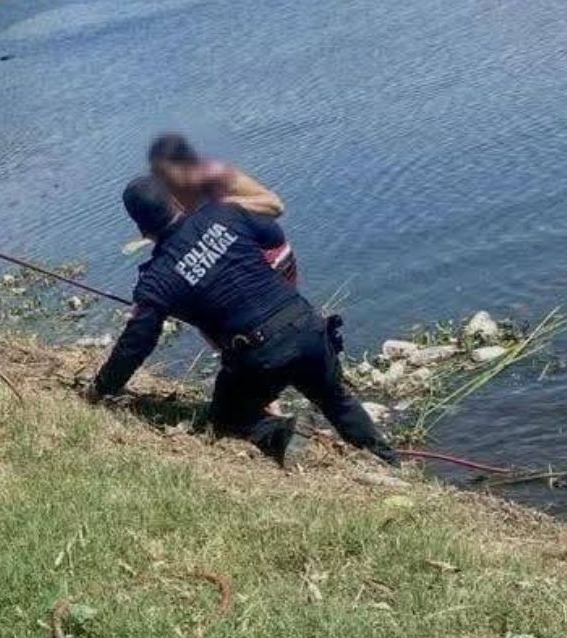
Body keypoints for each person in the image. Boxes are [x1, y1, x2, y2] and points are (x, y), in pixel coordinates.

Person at [89, 176, 398, 468]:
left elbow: (136, 344)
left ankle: (283, 432)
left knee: (226, 419)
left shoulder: (156, 281)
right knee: (336, 400)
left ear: (142, 231)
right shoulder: (223, 213)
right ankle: (388, 462)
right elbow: (274, 238)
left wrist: (102, 388)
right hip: (306, 325)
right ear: (176, 203)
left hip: (260, 354)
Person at [146, 133, 299, 285]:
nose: (160, 181)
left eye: (163, 173)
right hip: (232, 256)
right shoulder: (173, 192)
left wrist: (222, 208)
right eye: (156, 174)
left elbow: (276, 206)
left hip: (269, 253)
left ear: (184, 165)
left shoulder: (215, 175)